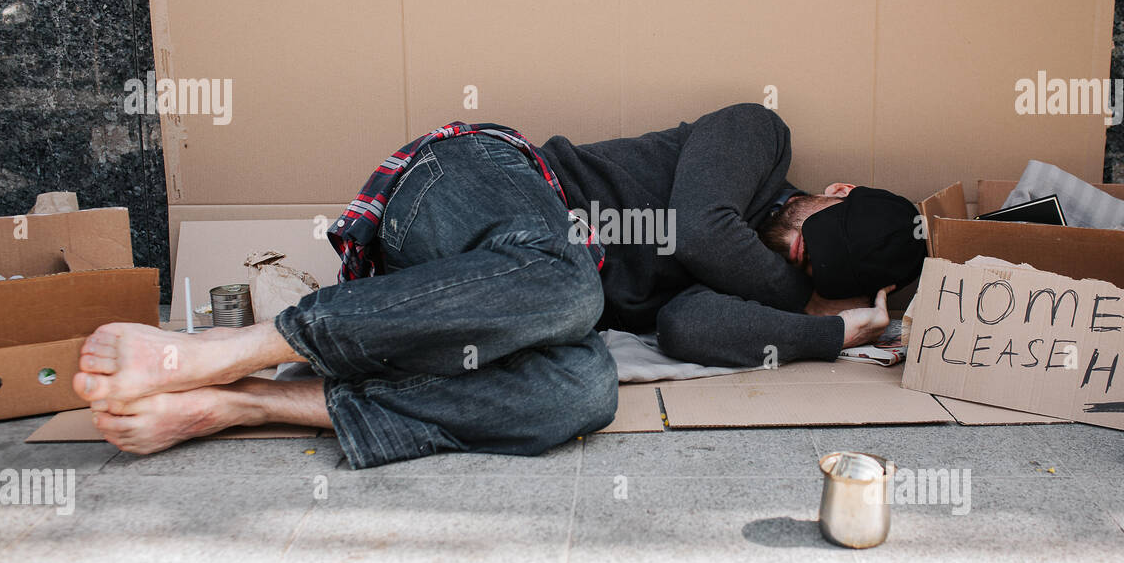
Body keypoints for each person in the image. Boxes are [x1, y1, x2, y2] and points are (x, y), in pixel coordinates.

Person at [72, 103, 926, 466]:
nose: (799, 261)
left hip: (482, 302)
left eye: (818, 274)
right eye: (813, 239)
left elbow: (689, 331)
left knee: (585, 390)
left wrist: (828, 331)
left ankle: (249, 397)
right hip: (476, 182)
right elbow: (701, 230)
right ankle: (225, 348)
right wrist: (794, 295)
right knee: (571, 289)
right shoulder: (758, 136)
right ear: (836, 190)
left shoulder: (773, 287)